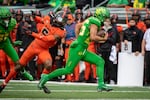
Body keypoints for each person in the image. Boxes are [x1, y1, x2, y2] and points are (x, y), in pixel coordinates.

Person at [38, 7, 113, 93]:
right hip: (78, 48)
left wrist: (78, 39)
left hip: (82, 48)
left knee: (100, 61)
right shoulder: (95, 22)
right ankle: (46, 77)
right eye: (105, 17)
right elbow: (93, 37)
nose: (105, 19)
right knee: (68, 70)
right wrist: (104, 39)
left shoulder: (90, 19)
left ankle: (101, 85)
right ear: (101, 15)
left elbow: (78, 26)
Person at [0, 7, 33, 93]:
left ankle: (23, 71)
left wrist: (13, 43)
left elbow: (8, 33)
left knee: (18, 62)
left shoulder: (12, 23)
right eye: (4, 19)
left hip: (5, 42)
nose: (6, 20)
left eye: (7, 18)